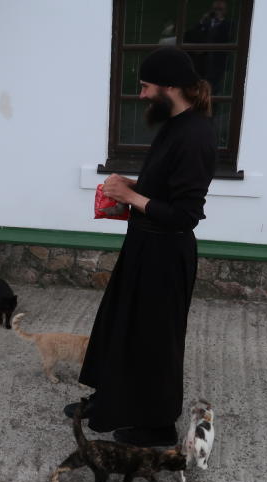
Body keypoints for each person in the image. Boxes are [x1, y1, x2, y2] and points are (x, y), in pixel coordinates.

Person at [65, 47, 216, 447]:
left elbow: (185, 214)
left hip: (166, 256)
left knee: (154, 343)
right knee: (122, 328)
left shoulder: (197, 135)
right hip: (144, 247)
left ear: (170, 85)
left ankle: (157, 426)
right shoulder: (174, 124)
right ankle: (110, 401)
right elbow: (164, 187)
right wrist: (131, 186)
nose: (144, 95)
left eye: (147, 86)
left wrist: (132, 198)